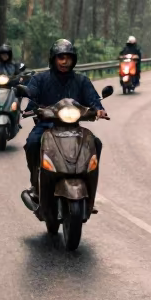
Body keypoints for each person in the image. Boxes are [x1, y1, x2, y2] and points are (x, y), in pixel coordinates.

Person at [22, 39, 109, 203]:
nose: (64, 61)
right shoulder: (40, 79)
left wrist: (99, 109)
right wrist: (29, 102)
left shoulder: (81, 81)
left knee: (96, 143)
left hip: (73, 128)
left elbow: (92, 99)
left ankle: (89, 185)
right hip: (47, 126)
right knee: (33, 143)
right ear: (53, 59)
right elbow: (32, 93)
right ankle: (35, 184)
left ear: (73, 60)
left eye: (68, 57)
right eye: (60, 57)